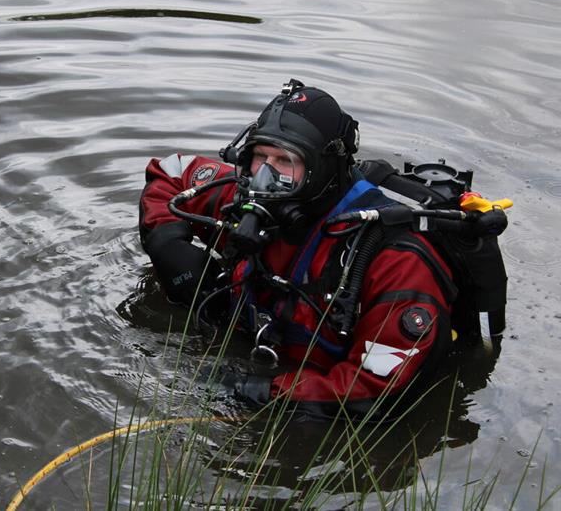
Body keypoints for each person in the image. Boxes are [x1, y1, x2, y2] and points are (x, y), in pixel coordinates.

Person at [138, 79, 507, 420]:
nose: (268, 176)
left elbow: (375, 392)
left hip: (317, 386)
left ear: (324, 168)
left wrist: (258, 391)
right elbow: (172, 170)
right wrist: (170, 248)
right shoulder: (252, 197)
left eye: (287, 162)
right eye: (261, 157)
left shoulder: (394, 259)